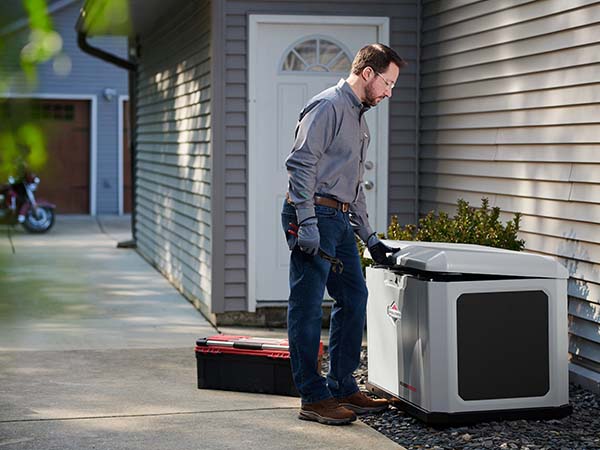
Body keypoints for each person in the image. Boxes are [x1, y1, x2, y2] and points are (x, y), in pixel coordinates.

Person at [281, 43, 407, 425]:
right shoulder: (328, 106)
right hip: (312, 214)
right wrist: (305, 222)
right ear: (368, 73)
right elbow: (301, 164)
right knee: (306, 306)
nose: (388, 93)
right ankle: (313, 396)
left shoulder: (357, 116)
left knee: (354, 297)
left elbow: (354, 187)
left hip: (337, 218)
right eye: (387, 83)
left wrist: (370, 238)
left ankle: (341, 385)